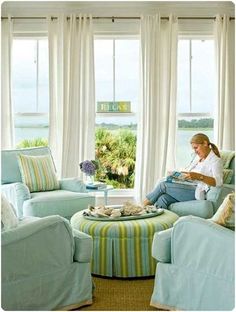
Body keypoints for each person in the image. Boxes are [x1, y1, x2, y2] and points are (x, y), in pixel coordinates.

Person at [143, 133, 223, 208]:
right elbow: (191, 173)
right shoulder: (198, 159)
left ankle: (141, 207)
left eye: (196, 147)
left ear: (205, 143)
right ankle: (156, 221)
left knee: (163, 185)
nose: (195, 151)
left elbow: (218, 182)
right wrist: (182, 175)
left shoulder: (215, 161)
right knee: (163, 198)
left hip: (197, 191)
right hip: (187, 186)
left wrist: (199, 176)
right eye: (193, 149)